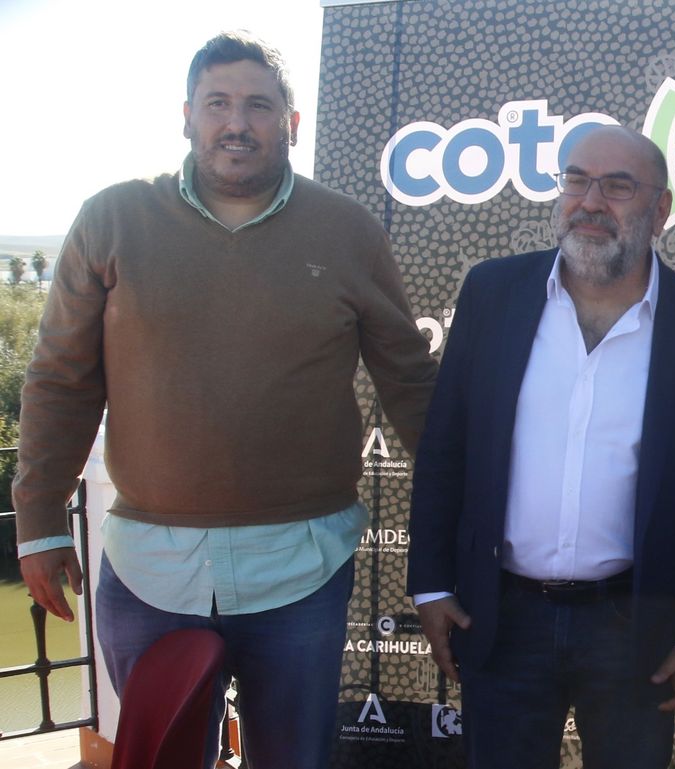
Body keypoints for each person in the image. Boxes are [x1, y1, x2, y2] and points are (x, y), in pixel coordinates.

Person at [12, 31, 438, 769]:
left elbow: (409, 381)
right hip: (150, 571)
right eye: (217, 104)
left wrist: (465, 520)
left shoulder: (349, 231)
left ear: (292, 124)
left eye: (258, 106)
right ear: (187, 116)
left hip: (302, 571)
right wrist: (41, 522)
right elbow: (59, 379)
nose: (236, 122)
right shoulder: (111, 220)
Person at [407, 125, 675, 769]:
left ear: (661, 210)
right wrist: (429, 585)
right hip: (501, 620)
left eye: (618, 186)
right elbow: (446, 445)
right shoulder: (493, 293)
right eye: (576, 180)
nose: (590, 201)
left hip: (634, 627)